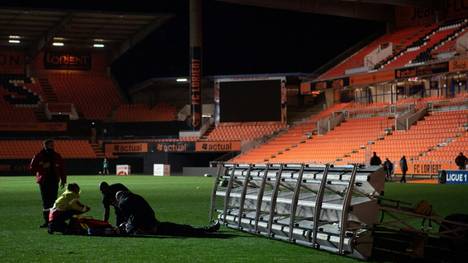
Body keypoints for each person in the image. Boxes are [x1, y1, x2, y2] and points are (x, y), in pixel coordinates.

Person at [115, 191, 219, 236]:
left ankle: (206, 230)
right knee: (183, 228)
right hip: (156, 225)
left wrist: (128, 227)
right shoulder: (135, 198)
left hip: (155, 228)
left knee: (183, 229)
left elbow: (134, 220)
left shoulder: (125, 204)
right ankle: (206, 229)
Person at [30, 139, 66, 228]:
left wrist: (63, 179)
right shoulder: (38, 156)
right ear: (45, 146)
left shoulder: (57, 156)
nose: (53, 147)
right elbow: (32, 168)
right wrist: (42, 167)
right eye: (51, 145)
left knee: (54, 201)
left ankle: (52, 220)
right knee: (46, 202)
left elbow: (62, 168)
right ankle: (47, 221)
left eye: (53, 145)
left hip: (54, 181)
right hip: (44, 181)